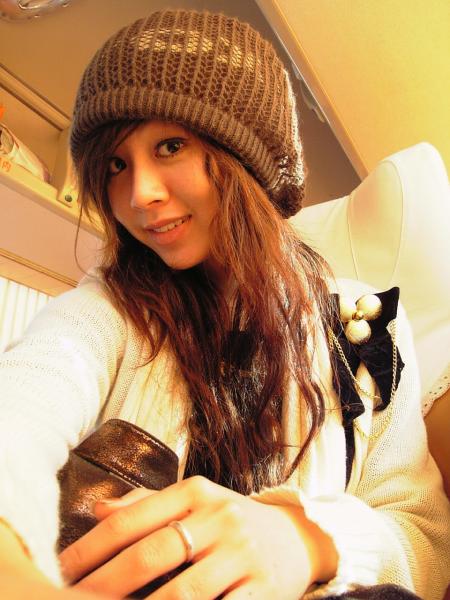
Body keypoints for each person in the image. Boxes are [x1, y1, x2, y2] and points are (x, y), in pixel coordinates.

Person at [0, 9, 449, 600]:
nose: (138, 194)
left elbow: (423, 538)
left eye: (170, 146)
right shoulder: (113, 306)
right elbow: (22, 407)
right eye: (116, 165)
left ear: (247, 158)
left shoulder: (368, 334)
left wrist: (303, 538)